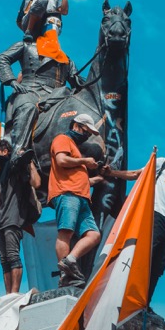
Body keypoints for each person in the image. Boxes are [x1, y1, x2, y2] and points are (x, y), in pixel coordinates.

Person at [101, 139, 165, 306]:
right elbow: (136, 174)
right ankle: (123, 295)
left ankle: (144, 304)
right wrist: (112, 173)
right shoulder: (163, 163)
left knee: (158, 267)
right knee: (144, 258)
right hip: (154, 216)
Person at [0, 38, 79, 162]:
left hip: (57, 95)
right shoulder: (25, 46)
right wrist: (10, 80)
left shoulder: (65, 58)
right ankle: (18, 151)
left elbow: (76, 81)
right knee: (28, 107)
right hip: (29, 90)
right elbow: (1, 59)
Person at [48, 114, 102, 289]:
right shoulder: (62, 139)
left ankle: (69, 261)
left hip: (82, 196)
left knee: (94, 235)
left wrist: (98, 178)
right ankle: (66, 275)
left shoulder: (75, 148)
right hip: (67, 192)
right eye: (86, 131)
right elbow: (61, 160)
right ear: (77, 126)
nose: (87, 136)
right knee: (66, 232)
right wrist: (84, 161)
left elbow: (78, 175)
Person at [0, 139, 41, 294]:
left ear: (5, 151)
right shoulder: (0, 174)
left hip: (13, 218)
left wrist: (28, 161)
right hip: (0, 221)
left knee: (13, 256)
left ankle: (15, 293)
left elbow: (36, 183)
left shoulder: (16, 167)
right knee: (4, 261)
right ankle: (8, 294)